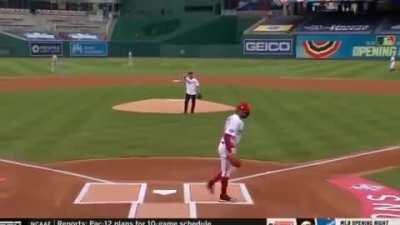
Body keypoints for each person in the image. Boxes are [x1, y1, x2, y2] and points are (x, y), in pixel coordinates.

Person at [207, 102, 251, 201]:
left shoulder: (233, 118)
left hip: (227, 146)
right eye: (245, 112)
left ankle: (212, 182)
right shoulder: (236, 120)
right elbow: (227, 136)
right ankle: (223, 195)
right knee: (225, 172)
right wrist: (230, 151)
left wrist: (232, 149)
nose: (246, 114)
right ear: (241, 110)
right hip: (226, 147)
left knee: (227, 170)